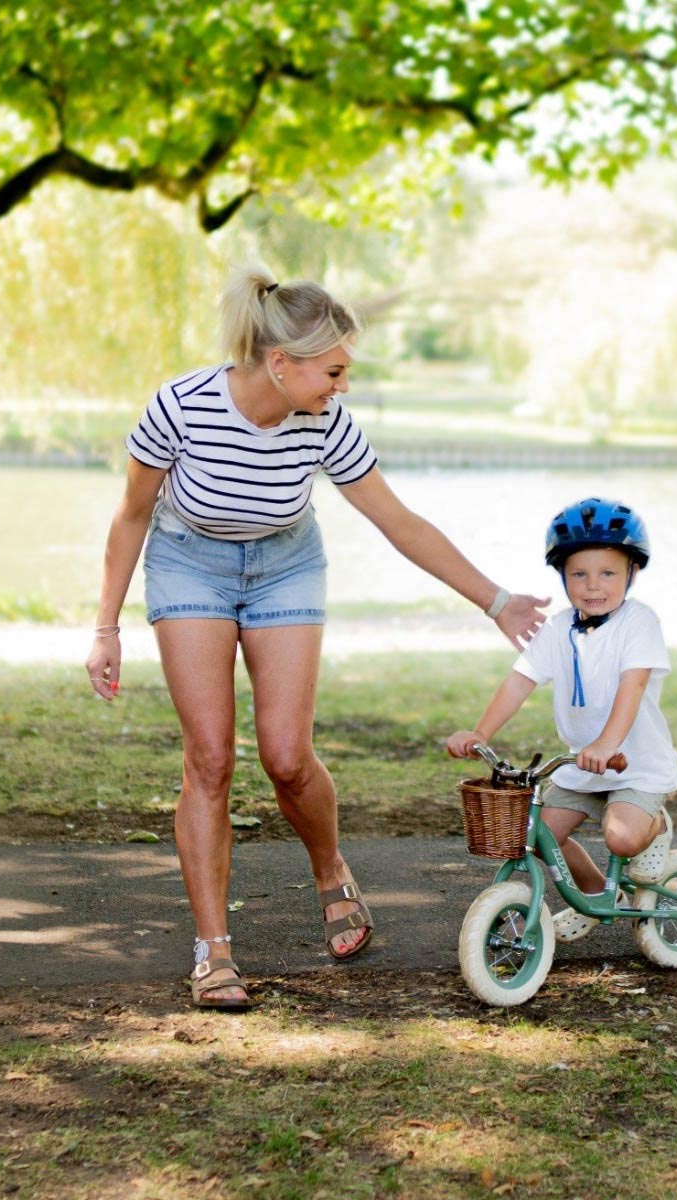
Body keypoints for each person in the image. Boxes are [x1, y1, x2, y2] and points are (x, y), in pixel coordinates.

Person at [85, 265, 547, 1010]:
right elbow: (132, 514)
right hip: (189, 564)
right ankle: (213, 953)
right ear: (280, 363)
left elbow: (397, 522)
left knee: (287, 757)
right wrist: (106, 627)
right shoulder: (181, 406)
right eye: (332, 370)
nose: (341, 386)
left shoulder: (325, 424)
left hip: (284, 568)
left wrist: (493, 599)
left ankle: (330, 869)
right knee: (208, 757)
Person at [446, 497, 677, 937]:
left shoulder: (639, 622)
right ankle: (597, 896)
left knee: (623, 839)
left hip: (635, 767)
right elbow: (520, 680)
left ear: (633, 571)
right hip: (583, 767)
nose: (593, 585)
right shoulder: (558, 628)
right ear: (562, 576)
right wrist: (480, 731)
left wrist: (608, 743)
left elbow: (633, 687)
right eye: (579, 574)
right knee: (533, 835)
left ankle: (657, 823)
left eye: (608, 573)